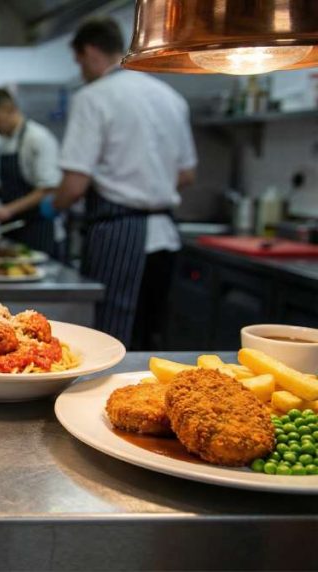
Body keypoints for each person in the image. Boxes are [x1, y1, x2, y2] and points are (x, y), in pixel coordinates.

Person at [44, 18, 197, 347]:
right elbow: (186, 175)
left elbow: (74, 185)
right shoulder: (171, 98)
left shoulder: (93, 97)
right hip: (166, 238)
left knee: (112, 334)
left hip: (118, 233)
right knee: (151, 333)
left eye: (80, 61)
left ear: (90, 51)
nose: (82, 69)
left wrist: (53, 206)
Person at [0, 88, 63, 256]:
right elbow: (15, 184)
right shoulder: (6, 140)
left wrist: (8, 210)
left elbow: (47, 189)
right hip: (12, 229)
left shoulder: (38, 138)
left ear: (10, 109)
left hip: (37, 229)